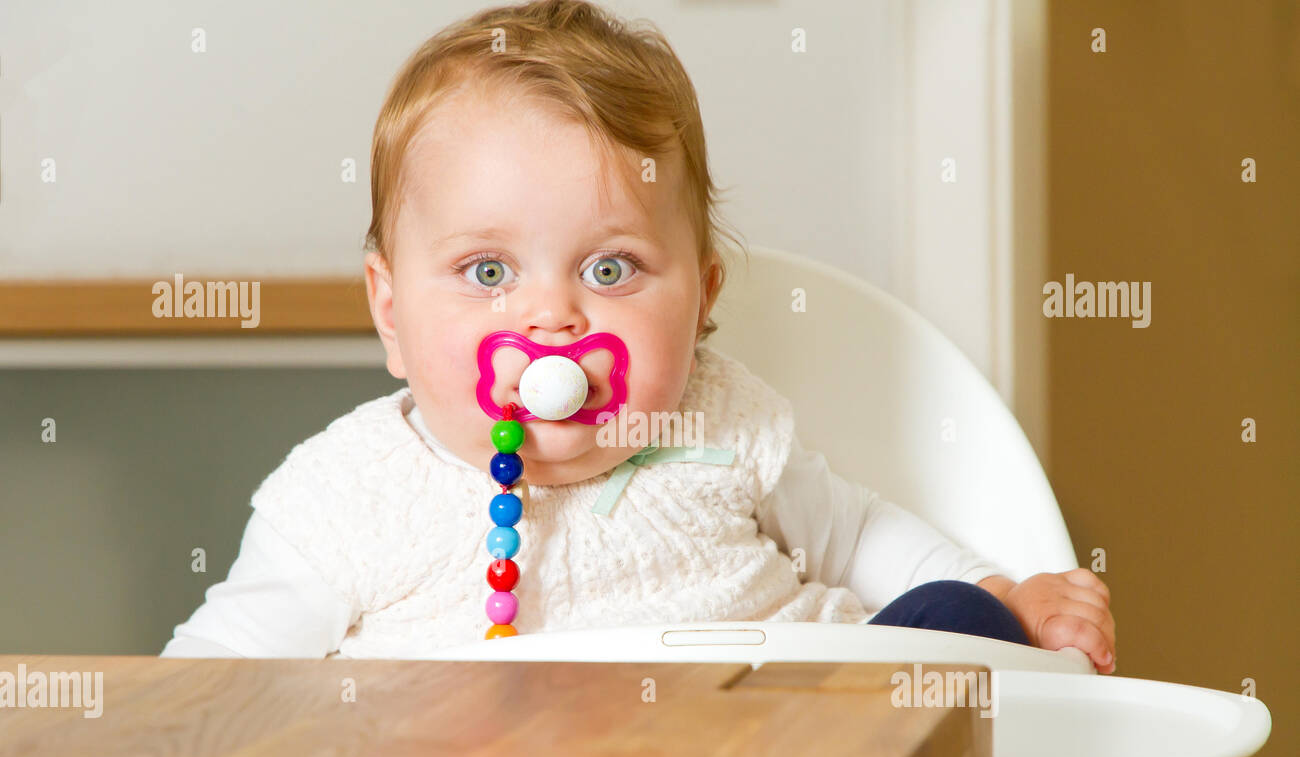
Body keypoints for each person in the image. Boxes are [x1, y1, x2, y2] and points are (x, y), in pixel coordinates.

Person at [162, 0, 1115, 677]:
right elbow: (213, 673)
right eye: (488, 273)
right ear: (390, 313)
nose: (550, 319)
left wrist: (1004, 589)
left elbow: (862, 536)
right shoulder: (350, 494)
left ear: (700, 300)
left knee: (960, 626)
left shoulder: (720, 426)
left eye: (609, 269)